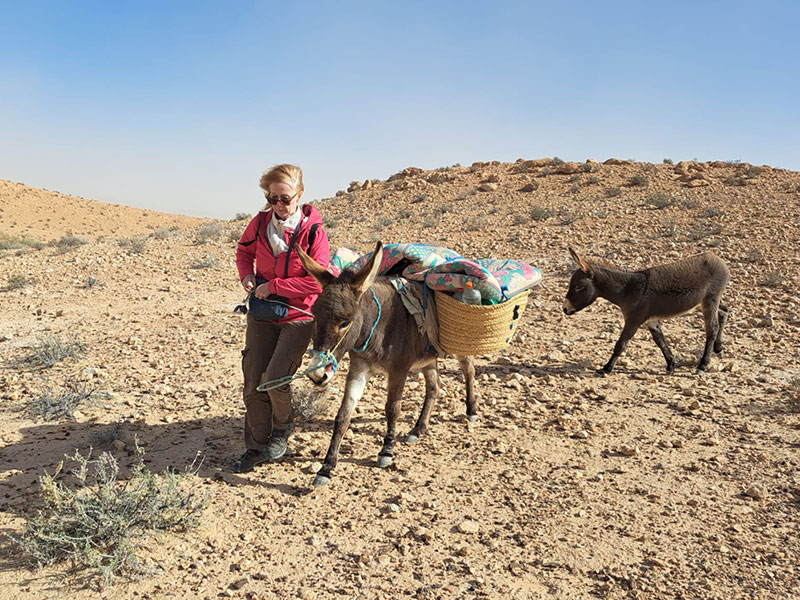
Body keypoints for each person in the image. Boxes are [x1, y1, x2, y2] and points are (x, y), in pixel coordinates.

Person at [233, 164, 330, 473]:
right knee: (253, 382)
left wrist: (273, 286)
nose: (278, 205)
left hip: (298, 316)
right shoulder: (260, 223)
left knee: (274, 380)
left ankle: (283, 428)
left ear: (299, 195)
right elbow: (243, 252)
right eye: (271, 198)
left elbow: (318, 281)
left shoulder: (314, 231)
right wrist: (247, 276)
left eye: (284, 198)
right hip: (262, 313)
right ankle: (257, 447)